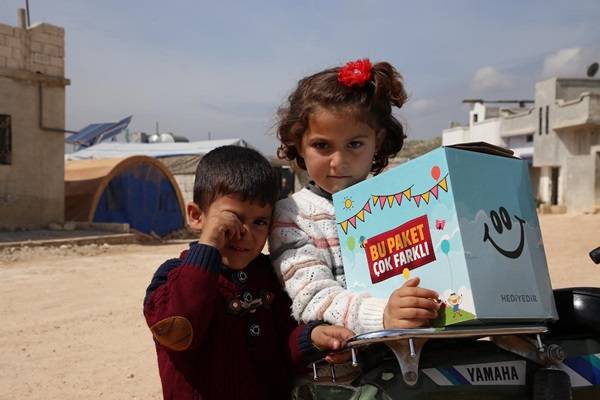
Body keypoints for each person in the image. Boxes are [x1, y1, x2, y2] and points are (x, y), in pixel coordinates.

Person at [143, 145, 354, 400]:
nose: (245, 233)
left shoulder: (270, 274)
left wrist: (312, 338)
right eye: (231, 220)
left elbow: (285, 341)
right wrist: (209, 245)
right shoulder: (172, 277)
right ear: (197, 216)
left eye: (260, 222)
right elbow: (178, 330)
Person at [270, 58, 441, 335]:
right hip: (347, 359)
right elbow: (312, 297)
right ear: (299, 144)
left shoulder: (401, 202)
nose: (339, 162)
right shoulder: (292, 215)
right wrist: (383, 315)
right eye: (322, 145)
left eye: (355, 144)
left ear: (378, 141)